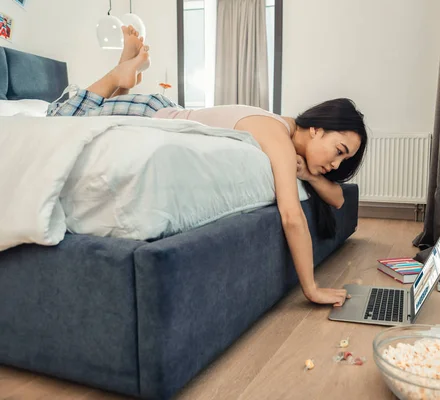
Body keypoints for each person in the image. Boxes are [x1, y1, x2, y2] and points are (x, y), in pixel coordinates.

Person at [48, 26, 368, 307]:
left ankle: (125, 73)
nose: (336, 163)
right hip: (150, 114)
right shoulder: (278, 136)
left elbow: (338, 199)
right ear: (317, 128)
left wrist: (308, 172)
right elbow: (291, 216)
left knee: (85, 114)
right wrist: (311, 288)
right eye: (339, 151)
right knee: (57, 119)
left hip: (159, 110)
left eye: (343, 160)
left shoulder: (281, 129)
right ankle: (119, 73)